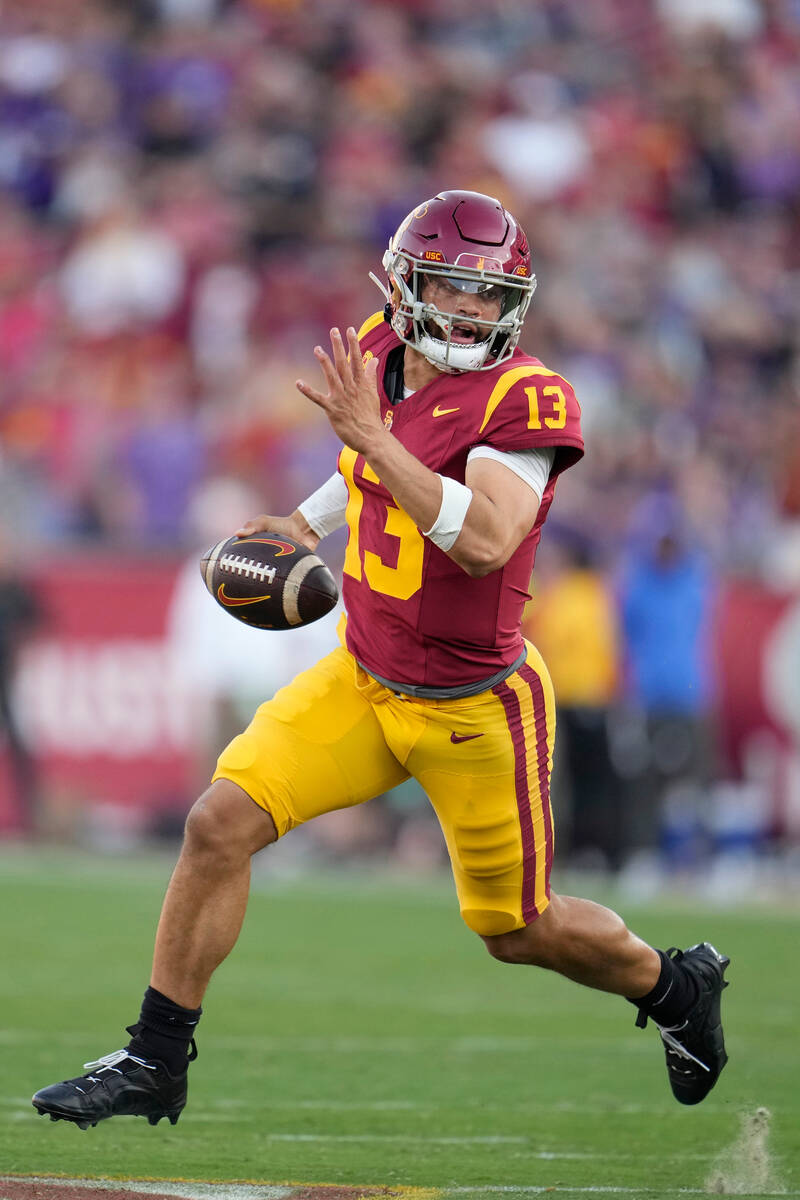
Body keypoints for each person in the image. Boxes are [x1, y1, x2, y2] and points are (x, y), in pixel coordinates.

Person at [32, 190, 729, 1131]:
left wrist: (372, 437)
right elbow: (365, 468)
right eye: (452, 287)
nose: (471, 312)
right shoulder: (381, 353)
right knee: (217, 823)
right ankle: (156, 1058)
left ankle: (676, 988)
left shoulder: (529, 397)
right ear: (406, 286)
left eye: (489, 295)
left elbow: (484, 540)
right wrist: (306, 520)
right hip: (364, 674)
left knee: (516, 931)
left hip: (476, 705)